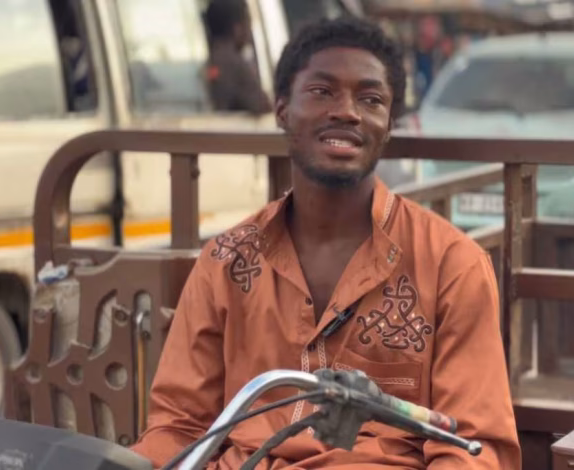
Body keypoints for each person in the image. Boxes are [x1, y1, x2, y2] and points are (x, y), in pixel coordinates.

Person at [131, 17, 521, 469]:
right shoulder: (225, 261)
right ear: (282, 110)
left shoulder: (451, 265)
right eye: (322, 91)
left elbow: (473, 446)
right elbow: (179, 427)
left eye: (370, 99)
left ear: (388, 124)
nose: (347, 111)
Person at [203, 0, 272, 114]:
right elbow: (260, 105)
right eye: (248, 23)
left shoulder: (212, 62)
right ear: (237, 28)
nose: (250, 31)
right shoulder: (234, 63)